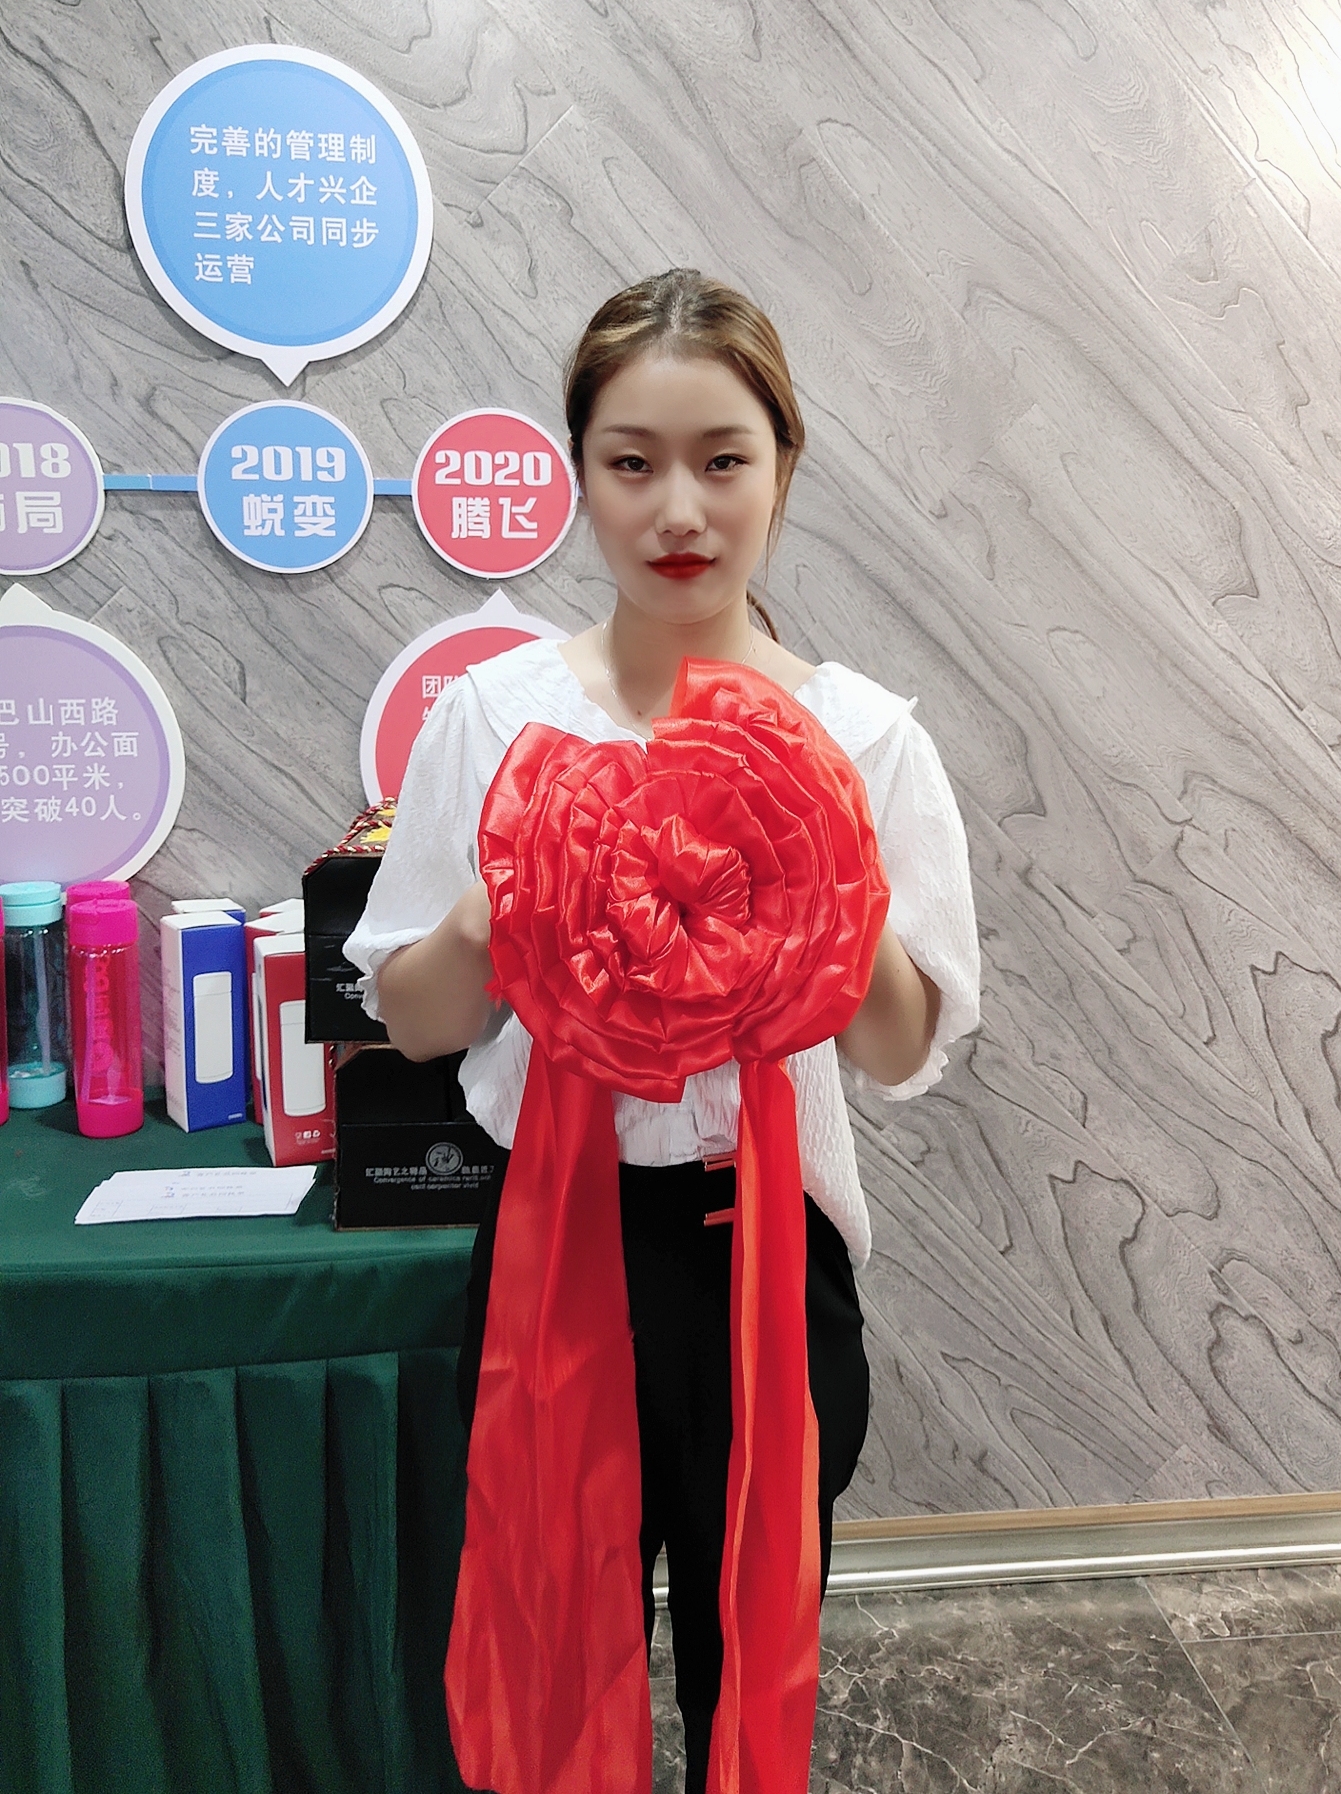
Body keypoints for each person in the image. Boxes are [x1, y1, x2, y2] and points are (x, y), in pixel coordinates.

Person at [344, 268, 981, 1791]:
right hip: (557, 1245)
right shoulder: (494, 720)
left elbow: (899, 1053)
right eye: (632, 462)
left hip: (769, 1256)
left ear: (783, 471)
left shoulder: (865, 736)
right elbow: (413, 1023)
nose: (679, 508)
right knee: (554, 1636)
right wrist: (504, 901)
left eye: (722, 459)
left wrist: (826, 858)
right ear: (580, 475)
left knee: (750, 1646)